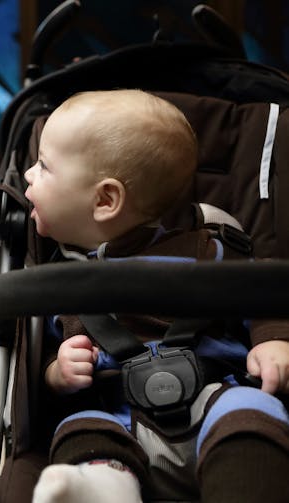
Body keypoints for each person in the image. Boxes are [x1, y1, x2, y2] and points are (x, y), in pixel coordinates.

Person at [23, 89, 289, 503]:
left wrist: (272, 339)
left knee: (252, 412)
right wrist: (57, 373)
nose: (27, 175)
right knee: (79, 428)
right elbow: (35, 361)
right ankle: (100, 490)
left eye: (43, 166)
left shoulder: (210, 250)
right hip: (114, 412)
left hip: (212, 394)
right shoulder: (56, 276)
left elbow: (262, 296)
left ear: (105, 200)